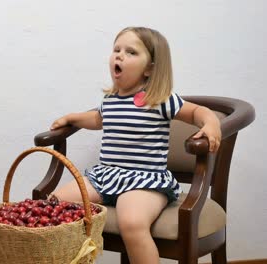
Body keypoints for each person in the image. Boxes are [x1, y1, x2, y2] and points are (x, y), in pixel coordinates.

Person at [49, 27, 221, 264]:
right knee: (55, 204)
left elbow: (196, 112)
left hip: (144, 181)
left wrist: (211, 122)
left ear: (150, 68)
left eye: (130, 52)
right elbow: (97, 120)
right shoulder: (110, 101)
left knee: (131, 223)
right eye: (116, 50)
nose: (119, 55)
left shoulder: (158, 98)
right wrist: (72, 118)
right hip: (106, 177)